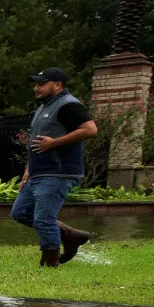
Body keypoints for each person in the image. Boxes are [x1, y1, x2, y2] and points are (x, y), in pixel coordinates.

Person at [15, 67, 97, 267]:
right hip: (37, 173)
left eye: (42, 83)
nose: (36, 88)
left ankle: (51, 263)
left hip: (58, 173)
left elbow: (90, 129)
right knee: (20, 213)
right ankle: (70, 235)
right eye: (36, 83)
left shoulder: (69, 106)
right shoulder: (44, 107)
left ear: (58, 85)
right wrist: (27, 170)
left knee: (44, 219)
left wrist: (54, 143)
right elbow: (35, 142)